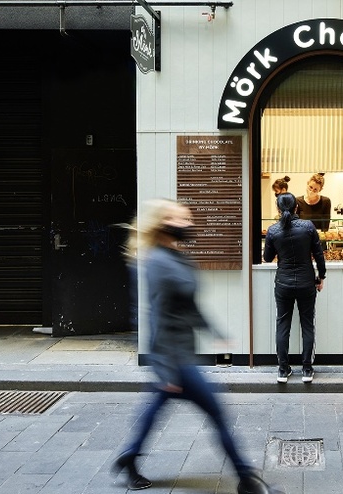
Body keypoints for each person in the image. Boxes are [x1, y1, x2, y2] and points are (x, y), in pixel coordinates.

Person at [114, 198, 282, 494]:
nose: (188, 225)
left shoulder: (176, 257)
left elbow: (189, 307)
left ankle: (129, 457)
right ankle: (247, 481)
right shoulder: (157, 262)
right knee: (217, 413)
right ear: (164, 224)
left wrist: (215, 331)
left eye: (188, 219)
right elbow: (154, 315)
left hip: (180, 354)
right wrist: (166, 370)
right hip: (174, 359)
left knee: (156, 406)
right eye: (181, 220)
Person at [262, 192, 326, 384]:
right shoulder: (308, 227)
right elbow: (319, 254)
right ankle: (307, 369)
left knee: (283, 325)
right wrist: (320, 277)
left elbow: (266, 257)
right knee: (307, 324)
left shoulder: (273, 230)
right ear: (297, 207)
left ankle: (283, 370)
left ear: (278, 209)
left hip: (283, 283)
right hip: (306, 282)